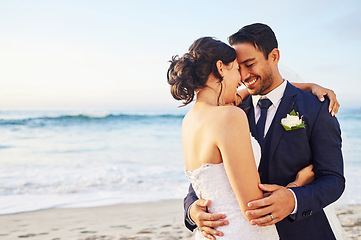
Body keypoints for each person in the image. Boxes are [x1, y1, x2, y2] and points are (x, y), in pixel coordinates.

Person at [183, 24, 345, 240]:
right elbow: (208, 171)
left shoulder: (315, 107)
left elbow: (333, 179)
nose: (243, 75)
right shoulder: (229, 111)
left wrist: (294, 198)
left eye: (249, 64)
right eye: (238, 67)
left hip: (303, 232)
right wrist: (193, 210)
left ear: (274, 56)